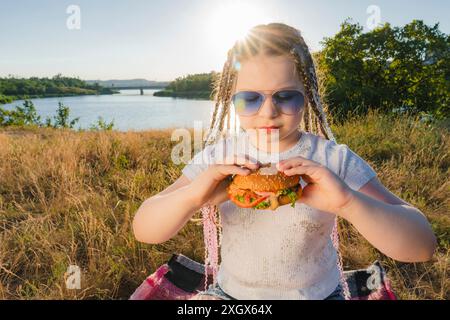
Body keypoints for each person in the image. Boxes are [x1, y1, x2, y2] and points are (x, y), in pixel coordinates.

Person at [132, 23, 436, 300]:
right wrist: (194, 195)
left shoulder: (331, 158)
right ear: (231, 99)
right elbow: (145, 230)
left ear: (308, 95)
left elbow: (422, 246)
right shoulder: (218, 158)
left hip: (319, 294)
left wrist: (347, 202)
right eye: (250, 99)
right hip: (233, 294)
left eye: (286, 96)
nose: (268, 112)